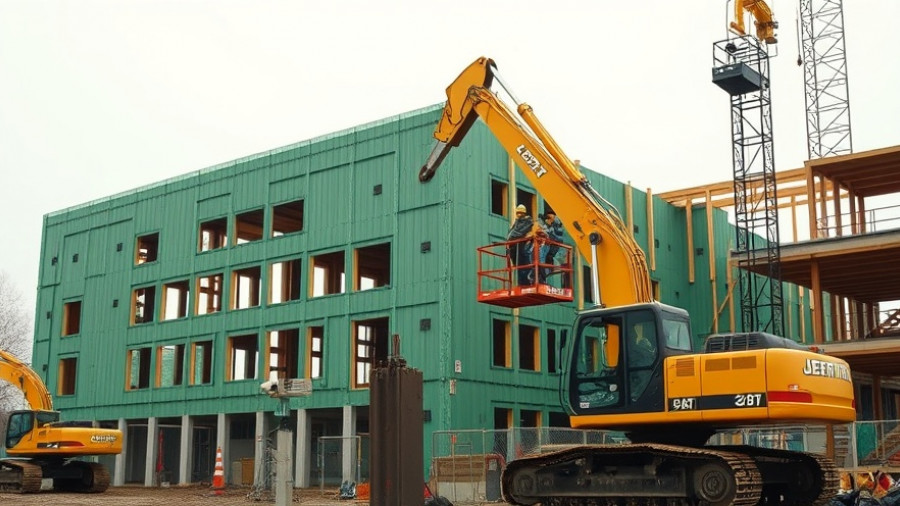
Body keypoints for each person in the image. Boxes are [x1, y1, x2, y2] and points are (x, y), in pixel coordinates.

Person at [507, 204, 534, 285]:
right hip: (513, 245)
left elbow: (519, 232)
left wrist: (513, 238)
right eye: (517, 213)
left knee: (522, 263)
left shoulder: (527, 221)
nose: (518, 214)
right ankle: (522, 282)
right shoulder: (517, 222)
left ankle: (525, 282)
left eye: (520, 213)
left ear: (524, 213)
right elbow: (512, 232)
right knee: (518, 264)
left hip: (519, 244)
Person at [538, 209, 564, 284]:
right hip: (549, 248)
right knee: (543, 263)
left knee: (544, 263)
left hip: (551, 248)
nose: (551, 221)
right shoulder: (549, 226)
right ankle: (542, 279)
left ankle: (543, 280)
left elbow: (554, 237)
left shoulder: (554, 226)